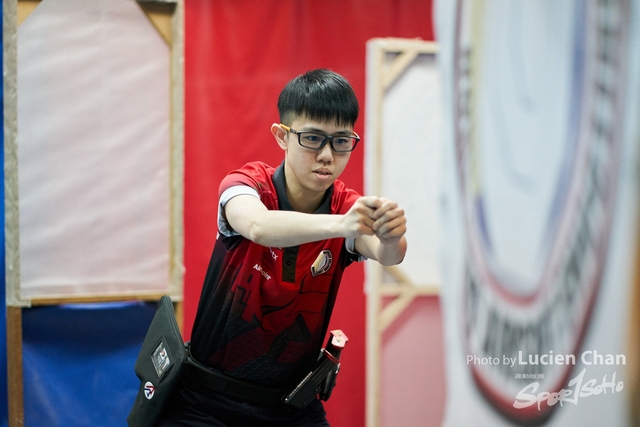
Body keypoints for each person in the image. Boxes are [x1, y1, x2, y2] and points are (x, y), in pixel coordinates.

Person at [156, 69, 407, 427]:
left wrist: (390, 234)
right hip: (206, 401)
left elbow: (389, 255)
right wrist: (345, 225)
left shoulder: (347, 207)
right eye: (313, 138)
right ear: (282, 136)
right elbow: (259, 226)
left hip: (291, 408)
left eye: (340, 141)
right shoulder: (246, 185)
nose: (326, 155)